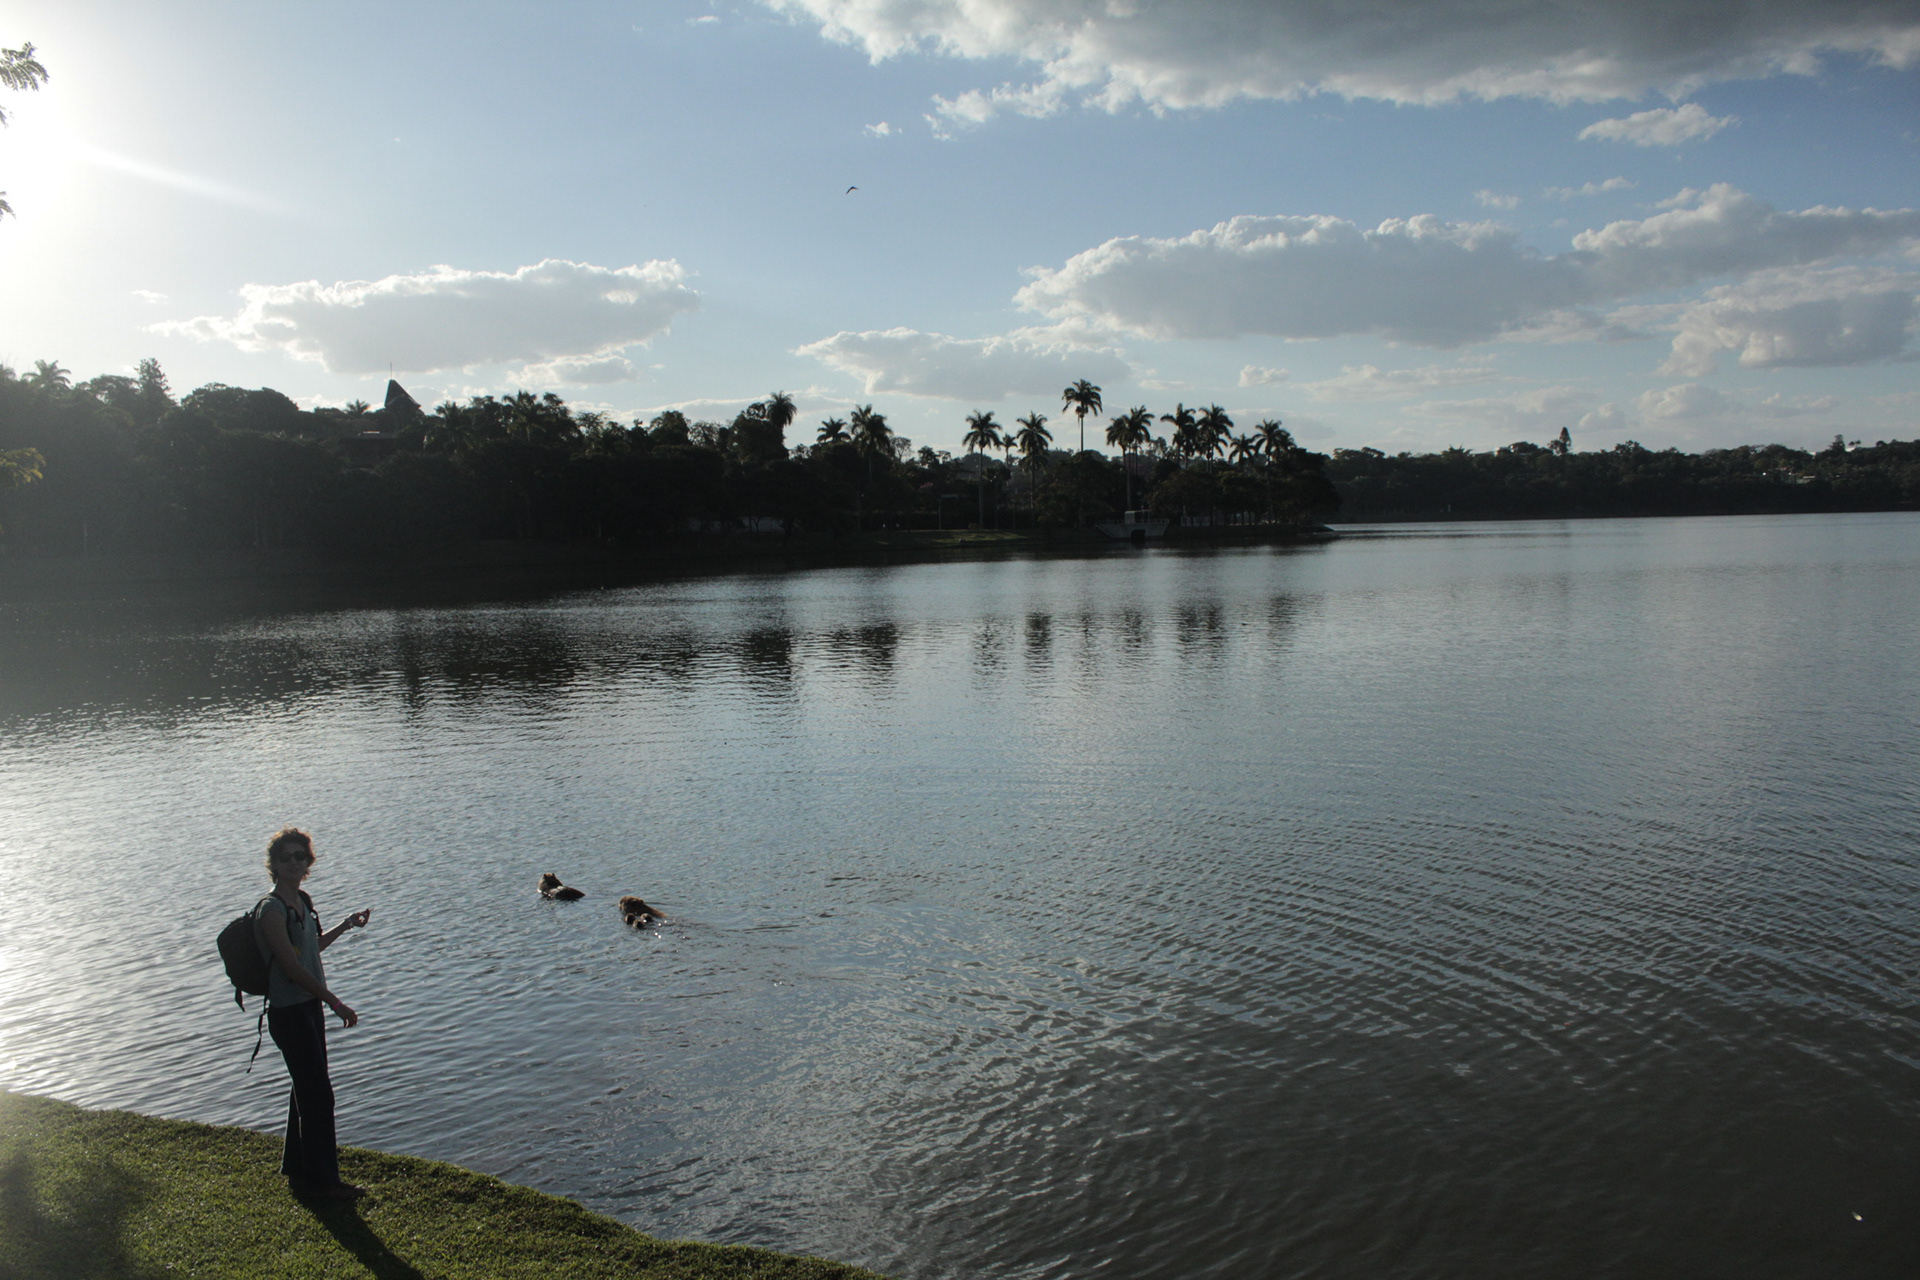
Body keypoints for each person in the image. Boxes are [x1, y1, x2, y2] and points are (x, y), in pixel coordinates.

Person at [255, 826, 373, 1201]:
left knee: (304, 1090)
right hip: (289, 1013)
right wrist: (333, 1001)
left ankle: (297, 1167)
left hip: (307, 1009)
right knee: (318, 1096)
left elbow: (312, 948)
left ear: (309, 863)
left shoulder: (302, 902)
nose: (293, 863)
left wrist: (346, 924)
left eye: (300, 857)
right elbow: (291, 969)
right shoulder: (271, 910)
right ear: (272, 864)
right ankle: (324, 1184)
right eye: (285, 857)